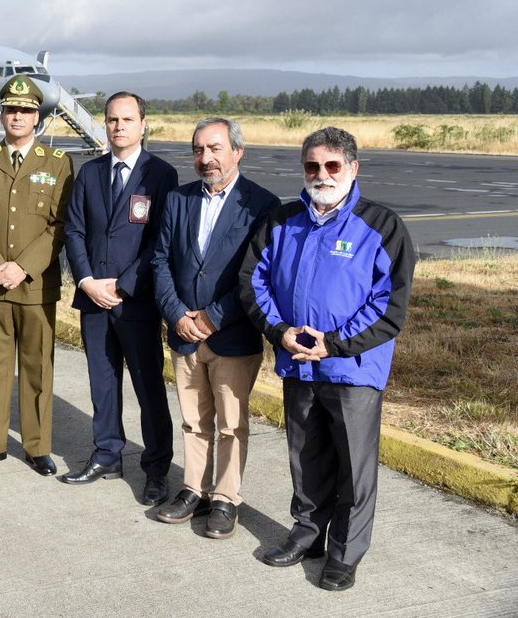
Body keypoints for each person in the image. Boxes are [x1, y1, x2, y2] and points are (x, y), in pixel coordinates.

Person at [241, 126, 415, 591]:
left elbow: (388, 306)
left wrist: (333, 343)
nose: (322, 175)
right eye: (313, 166)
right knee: (306, 458)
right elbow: (252, 282)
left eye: (332, 165)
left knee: (355, 467)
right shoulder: (282, 220)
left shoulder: (382, 226)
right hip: (297, 362)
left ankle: (344, 554)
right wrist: (281, 333)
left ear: (353, 168)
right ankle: (308, 534)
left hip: (353, 370)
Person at [150, 117, 280, 537]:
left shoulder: (262, 204)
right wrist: (177, 314)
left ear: (237, 151)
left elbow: (259, 275)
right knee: (193, 421)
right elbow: (161, 262)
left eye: (216, 148)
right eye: (199, 150)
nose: (206, 158)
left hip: (232, 335)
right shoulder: (178, 199)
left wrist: (213, 317)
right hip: (185, 333)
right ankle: (193, 489)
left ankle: (225, 499)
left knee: (231, 424)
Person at [62, 91, 179, 505]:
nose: (118, 127)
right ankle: (107, 454)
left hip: (137, 302)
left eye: (127, 120)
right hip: (94, 298)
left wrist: (125, 284)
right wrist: (88, 280)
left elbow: (160, 241)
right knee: (102, 384)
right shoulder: (90, 172)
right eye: (112, 120)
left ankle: (156, 470)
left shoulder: (161, 175)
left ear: (143, 124)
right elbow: (73, 231)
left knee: (149, 389)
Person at [0, 74, 74, 476]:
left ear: (37, 117)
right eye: (11, 109)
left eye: (26, 110)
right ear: (2, 114)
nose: (18, 116)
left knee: (37, 366)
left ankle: (38, 445)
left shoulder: (58, 164)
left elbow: (60, 224)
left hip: (35, 284)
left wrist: (22, 267)